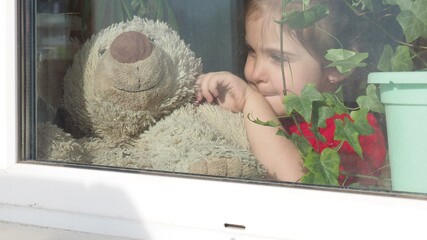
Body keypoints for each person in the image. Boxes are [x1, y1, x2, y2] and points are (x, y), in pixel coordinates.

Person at [196, 0, 387, 185]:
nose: (255, 73)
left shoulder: (350, 131)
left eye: (278, 57)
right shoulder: (253, 111)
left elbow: (298, 189)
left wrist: (250, 100)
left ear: (337, 68)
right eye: (251, 51)